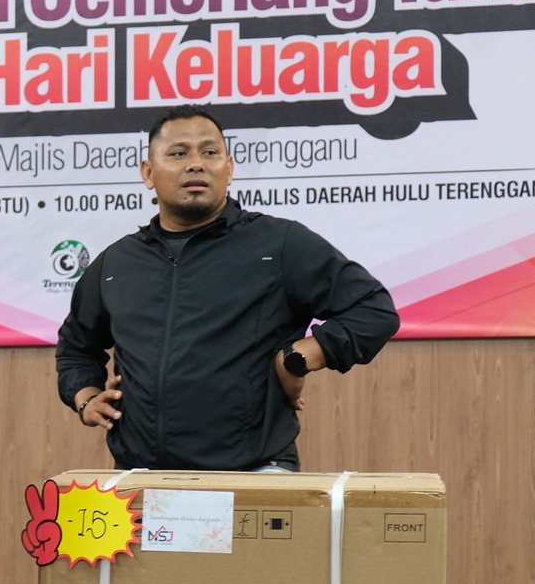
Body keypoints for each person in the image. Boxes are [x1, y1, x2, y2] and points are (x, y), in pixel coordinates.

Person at [55, 104, 400, 470]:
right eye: (178, 153)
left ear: (229, 169)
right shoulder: (116, 263)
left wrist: (298, 357)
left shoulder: (278, 244)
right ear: (148, 173)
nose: (196, 164)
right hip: (141, 477)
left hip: (256, 472)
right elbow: (76, 346)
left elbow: (373, 309)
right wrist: (85, 396)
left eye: (209, 152)